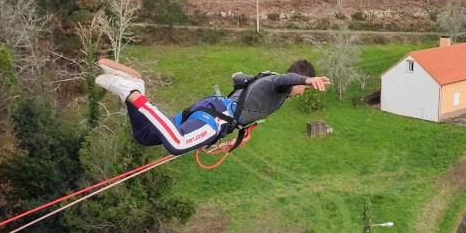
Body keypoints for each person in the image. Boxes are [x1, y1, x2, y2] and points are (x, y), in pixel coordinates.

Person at [95, 59, 331, 156]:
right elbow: (284, 80)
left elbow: (241, 83)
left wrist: (238, 140)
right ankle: (132, 92)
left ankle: (136, 90)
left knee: (145, 136)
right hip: (215, 117)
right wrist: (307, 80)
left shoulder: (267, 85)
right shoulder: (278, 83)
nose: (304, 91)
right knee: (178, 144)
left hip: (212, 110)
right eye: (306, 87)